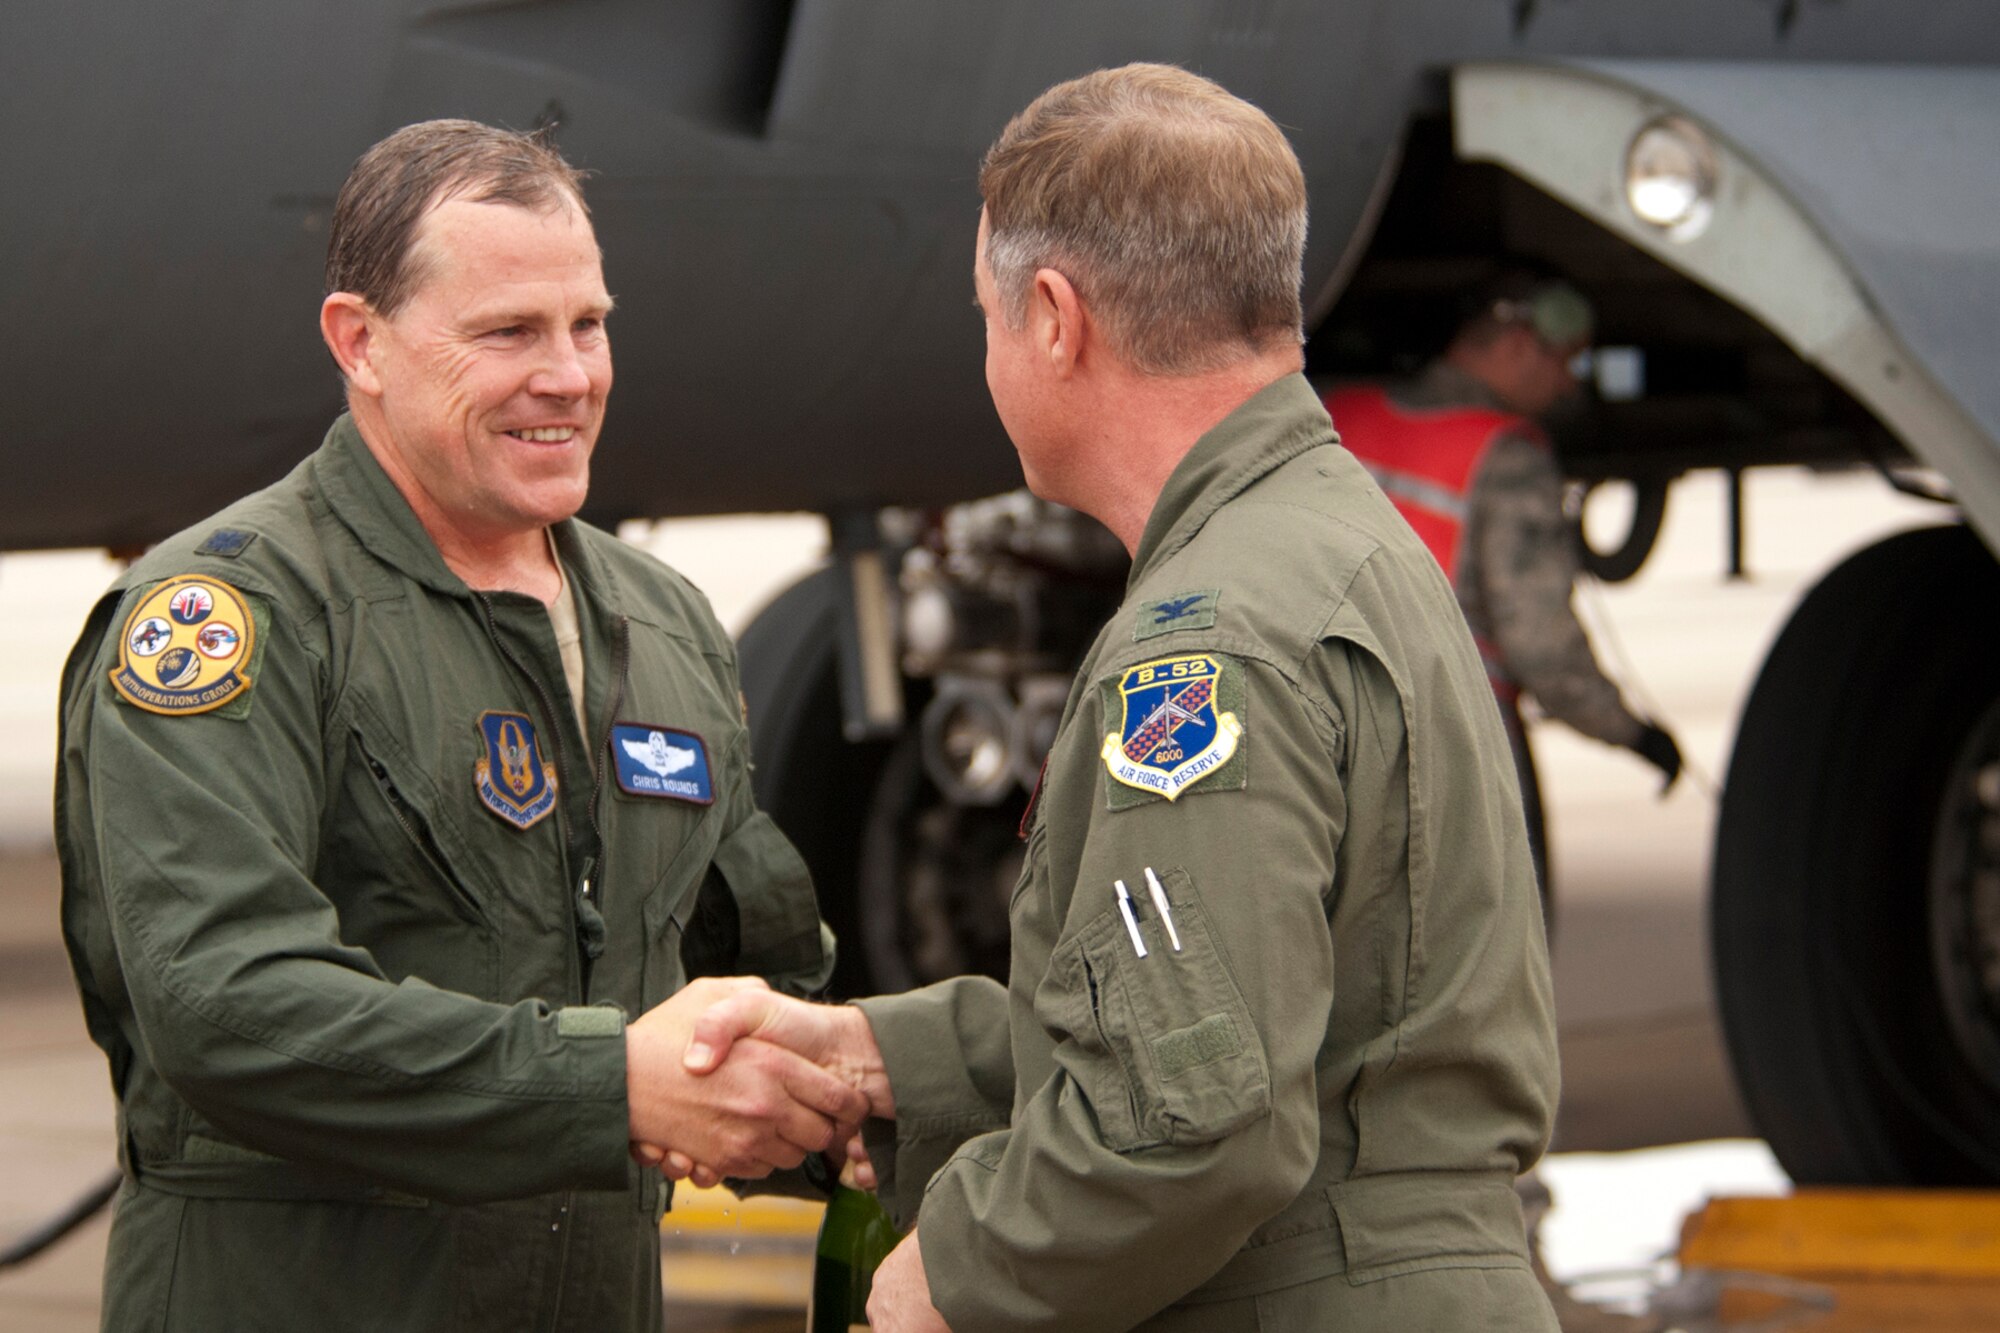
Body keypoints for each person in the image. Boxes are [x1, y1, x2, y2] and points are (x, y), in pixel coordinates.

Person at [679, 64, 1561, 1331]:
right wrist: (888, 1057)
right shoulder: (1333, 547)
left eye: (983, 313)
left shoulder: (1206, 650)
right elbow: (1246, 1014)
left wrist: (949, 1273)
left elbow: (1196, 1122)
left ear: (1052, 316)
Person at [53, 120, 866, 1331]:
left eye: (587, 325)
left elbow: (746, 957)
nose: (571, 375)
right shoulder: (231, 618)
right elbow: (223, 1000)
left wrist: (860, 1104)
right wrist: (611, 1087)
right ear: (360, 343)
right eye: (508, 333)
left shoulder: (662, 624)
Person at [1320, 272, 1683, 893]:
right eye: (1566, 362)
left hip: (1315, 720)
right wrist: (1633, 734)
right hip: (1448, 734)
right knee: (1490, 961)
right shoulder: (1504, 456)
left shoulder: (1335, 415)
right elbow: (1542, 647)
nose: (1569, 384)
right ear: (1518, 347)